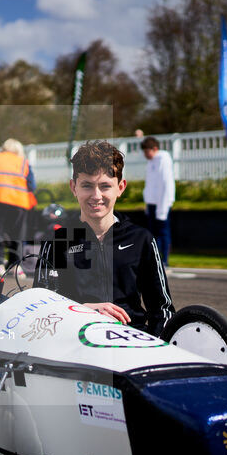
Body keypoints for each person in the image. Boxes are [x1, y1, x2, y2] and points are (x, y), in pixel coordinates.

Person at [36, 140, 173, 336]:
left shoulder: (141, 239)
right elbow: (39, 308)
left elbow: (163, 310)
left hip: (133, 343)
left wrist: (158, 347)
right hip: (74, 342)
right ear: (74, 187)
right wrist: (83, 311)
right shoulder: (56, 241)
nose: (96, 195)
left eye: (105, 186)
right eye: (87, 186)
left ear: (121, 187)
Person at [0, 138, 37, 277]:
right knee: (17, 235)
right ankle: (16, 266)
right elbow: (32, 185)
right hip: (19, 201)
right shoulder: (23, 161)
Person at [141, 136, 175, 267]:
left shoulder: (163, 159)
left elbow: (166, 184)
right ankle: (155, 260)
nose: (145, 155)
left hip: (162, 203)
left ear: (154, 149)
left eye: (146, 151)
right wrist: (147, 202)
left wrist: (163, 207)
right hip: (152, 203)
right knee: (152, 233)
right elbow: (149, 184)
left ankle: (164, 260)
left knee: (163, 232)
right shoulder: (151, 162)